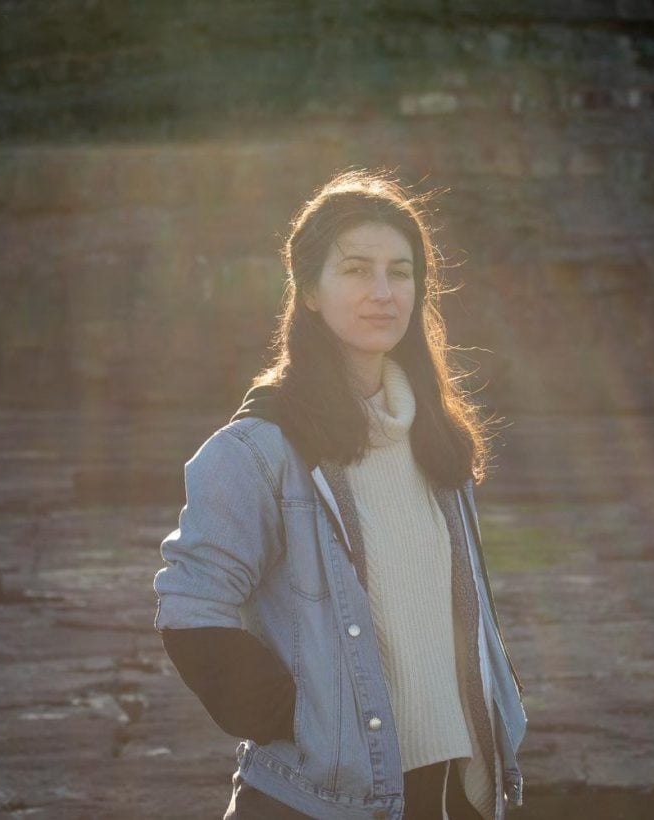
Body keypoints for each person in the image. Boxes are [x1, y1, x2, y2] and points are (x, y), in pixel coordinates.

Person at [153, 169, 526, 819]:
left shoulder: (436, 440)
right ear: (311, 290)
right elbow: (190, 606)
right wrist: (299, 717)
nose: (383, 292)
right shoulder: (258, 450)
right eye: (356, 269)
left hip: (452, 789)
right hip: (315, 801)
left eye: (400, 271)